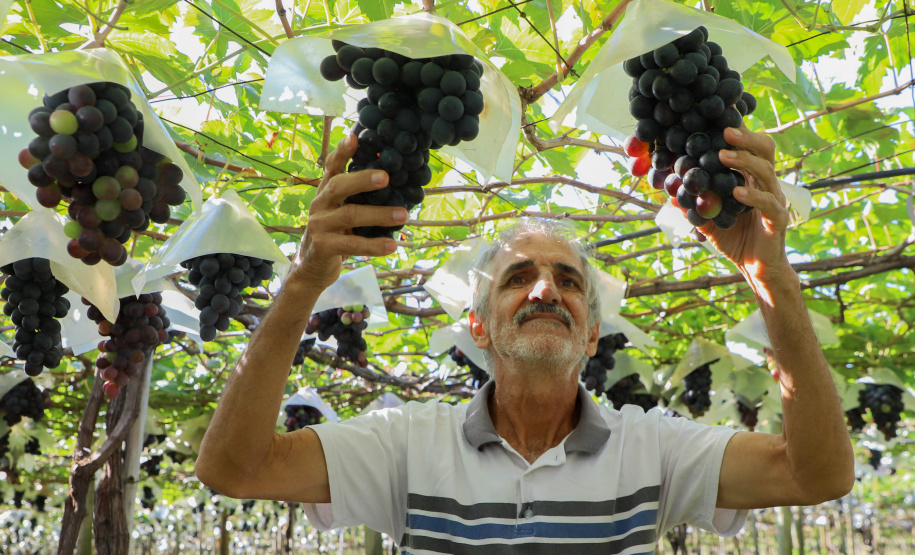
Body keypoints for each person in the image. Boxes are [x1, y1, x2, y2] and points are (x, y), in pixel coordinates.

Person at [195, 125, 855, 552]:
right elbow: (232, 469)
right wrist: (304, 282)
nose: (545, 291)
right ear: (477, 326)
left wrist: (770, 276)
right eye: (518, 278)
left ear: (592, 333)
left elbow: (817, 474)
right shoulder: (405, 445)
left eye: (568, 281)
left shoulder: (653, 449)